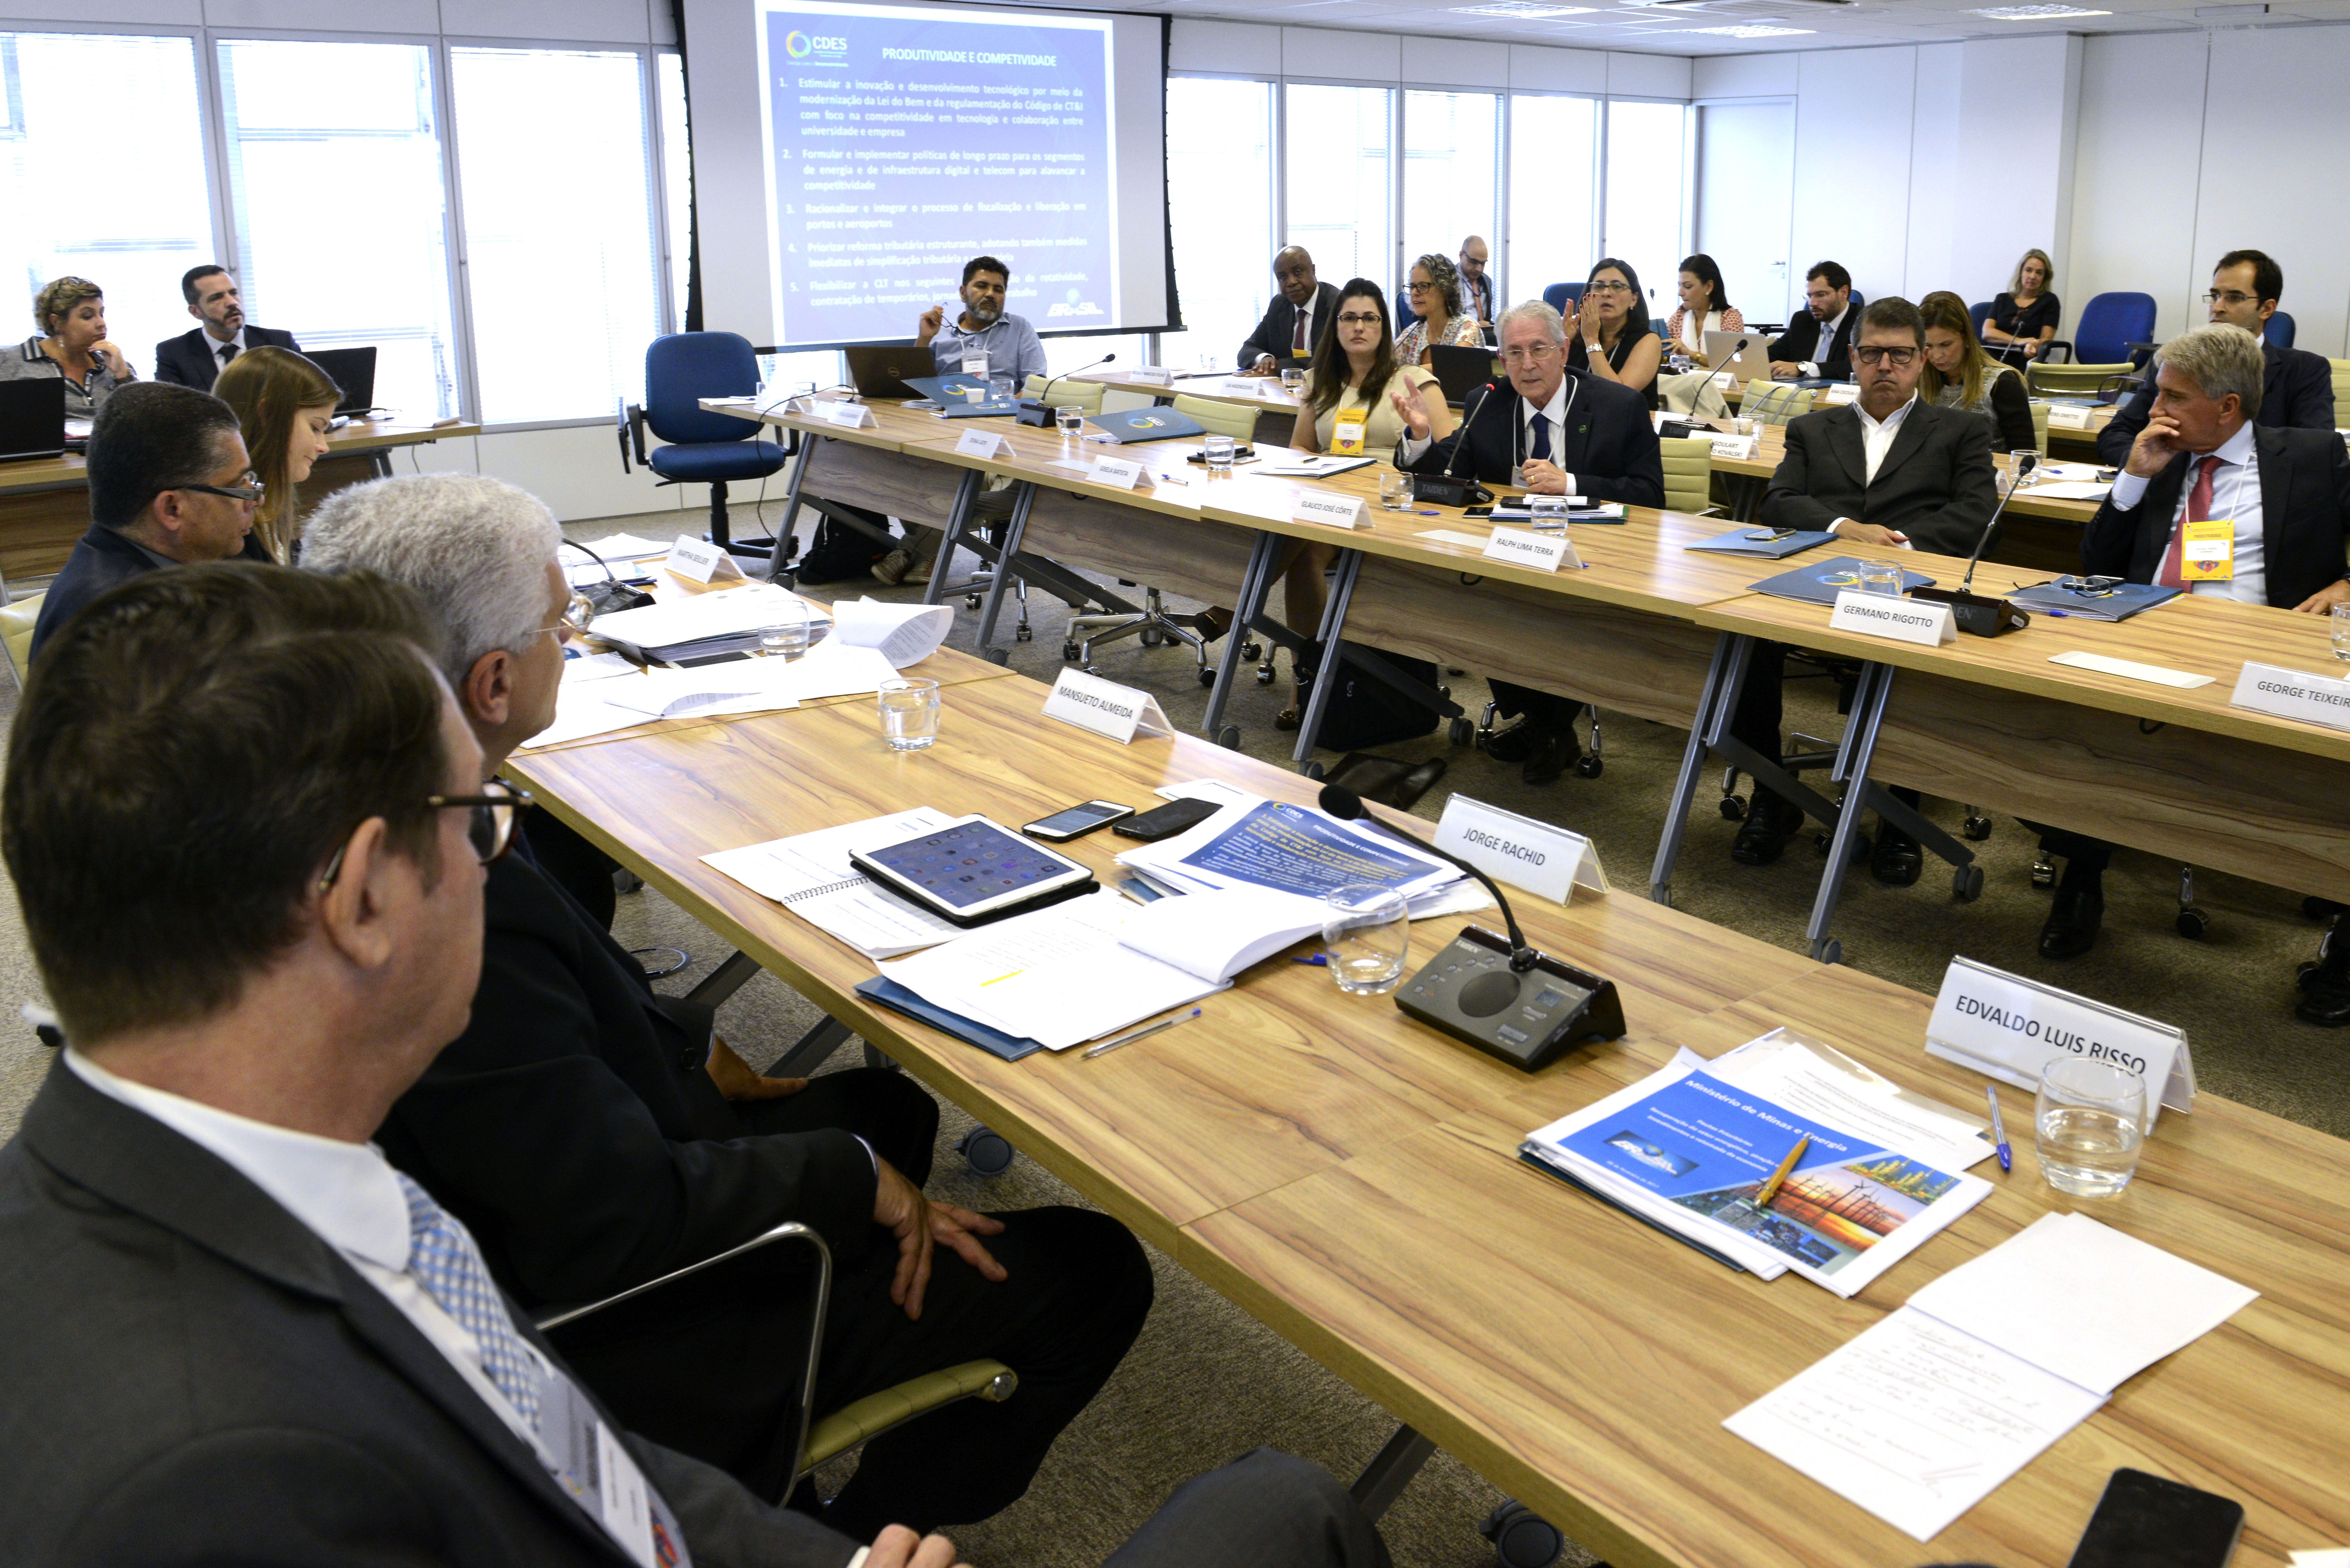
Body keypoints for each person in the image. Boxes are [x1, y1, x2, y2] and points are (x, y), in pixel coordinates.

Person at [0, 561, 1395, 1568]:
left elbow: (562, 1448)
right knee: (1284, 1510)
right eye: (479, 819)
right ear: (365, 896)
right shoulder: (213, 1481)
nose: (496, 861)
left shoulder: (226, 1180)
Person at [302, 474, 1156, 1540]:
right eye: (563, 624)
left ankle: (854, 1306)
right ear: (494, 680)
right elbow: (610, 1222)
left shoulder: (342, 802)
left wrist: (687, 1045)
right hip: (624, 1324)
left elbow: (554, 1039)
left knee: (889, 1110)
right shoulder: (441, 890)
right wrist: (852, 1180)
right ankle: (843, 1539)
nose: (575, 639)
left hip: (558, 1182)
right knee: (1095, 1268)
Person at [2036, 325, 2350, 976]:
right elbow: (2096, 563)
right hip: (2150, 637)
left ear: (2228, 406)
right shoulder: (2160, 455)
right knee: (2070, 730)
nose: (2155, 410)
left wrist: (2346, 583)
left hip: (2264, 649)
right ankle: (2081, 877)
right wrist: (2132, 479)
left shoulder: (2313, 456)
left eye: (2173, 397)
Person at [1728, 297, 1998, 875]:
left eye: (1900, 355)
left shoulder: (1962, 432)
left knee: (1916, 657)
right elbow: (1779, 501)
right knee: (1743, 641)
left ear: (1922, 360)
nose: (1885, 367)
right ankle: (1772, 795)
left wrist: (1897, 546)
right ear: (1852, 357)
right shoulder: (1811, 428)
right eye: (1872, 354)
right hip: (1817, 584)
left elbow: (1977, 515)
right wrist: (1844, 527)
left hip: (1909, 589)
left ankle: (1901, 815)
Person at [1393, 299, 1665, 785]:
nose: (1527, 364)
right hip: (1512, 553)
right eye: (1514, 354)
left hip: (1597, 554)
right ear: (1501, 359)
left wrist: (1571, 484)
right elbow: (1449, 472)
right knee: (1474, 598)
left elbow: (1650, 495)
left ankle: (1547, 727)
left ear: (1563, 351)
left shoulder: (1618, 405)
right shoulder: (1487, 401)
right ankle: (1547, 725)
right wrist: (1419, 436)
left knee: (1550, 612)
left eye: (1539, 350)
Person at [1274, 281, 1455, 730]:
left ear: (1383, 326)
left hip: (1391, 505)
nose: (1359, 327)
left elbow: (1452, 460)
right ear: (1335, 327)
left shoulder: (1413, 381)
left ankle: (1233, 604)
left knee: (1287, 545)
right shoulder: (1320, 382)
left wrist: (1419, 434)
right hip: (1331, 502)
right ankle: (1306, 673)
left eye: (1369, 318)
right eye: (1349, 318)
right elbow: (1300, 447)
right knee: (1300, 555)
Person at [28, 381, 268, 659]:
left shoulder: (158, 570)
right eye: (238, 486)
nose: (257, 500)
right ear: (172, 509)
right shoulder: (126, 624)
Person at [2096, 249, 2335, 466]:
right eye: (2215, 296)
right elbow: (2116, 434)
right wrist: (2157, 468)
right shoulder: (2174, 364)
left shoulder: (2304, 370)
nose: (2218, 307)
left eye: (2234, 297)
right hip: (2178, 488)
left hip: (2256, 490)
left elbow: (2316, 447)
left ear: (2267, 309)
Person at [891, 256, 1048, 586]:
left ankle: (914, 551)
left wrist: (1005, 405)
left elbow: (1036, 385)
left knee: (951, 477)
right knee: (903, 472)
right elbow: (913, 385)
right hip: (942, 428)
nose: (991, 294)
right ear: (963, 292)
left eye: (998, 289)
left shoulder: (1019, 328)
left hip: (998, 430)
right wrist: (924, 339)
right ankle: (925, 553)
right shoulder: (940, 334)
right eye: (982, 286)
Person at [211, 345, 340, 562]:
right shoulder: (231, 530)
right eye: (315, 428)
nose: (323, 447)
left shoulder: (264, 509)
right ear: (270, 415)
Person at [0, 275, 134, 419]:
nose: (102, 324)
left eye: (101, 314)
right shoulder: (9, 362)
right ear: (57, 322)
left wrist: (123, 376)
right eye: (88, 316)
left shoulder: (114, 365)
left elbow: (141, 423)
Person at [1919, 290, 2035, 454]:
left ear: (1967, 337)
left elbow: (2025, 456)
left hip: (1990, 468)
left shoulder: (2003, 383)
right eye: (1929, 346)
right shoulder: (1919, 380)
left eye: (1946, 345)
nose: (1937, 356)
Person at [152, 264, 303, 390]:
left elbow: (307, 394)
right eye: (216, 298)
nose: (232, 302)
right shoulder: (174, 353)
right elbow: (172, 410)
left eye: (233, 293)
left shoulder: (280, 343)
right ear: (196, 312)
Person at [1564, 257, 1662, 409]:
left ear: (1634, 299)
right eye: (1599, 286)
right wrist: (1562, 345)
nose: (1606, 293)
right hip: (1576, 420)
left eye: (1617, 287)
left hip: (1627, 423)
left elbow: (1618, 397)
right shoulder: (1577, 336)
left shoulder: (1649, 341)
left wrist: (1592, 340)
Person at [1239, 247, 1339, 376]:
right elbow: (1247, 350)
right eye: (1283, 277)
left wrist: (1277, 368)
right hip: (1283, 387)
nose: (1291, 282)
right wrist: (1266, 360)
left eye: (1298, 272)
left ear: (1313, 270)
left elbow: (1332, 360)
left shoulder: (1337, 304)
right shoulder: (1279, 305)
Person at [1768, 261, 1858, 382]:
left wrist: (1802, 368)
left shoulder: (1862, 322)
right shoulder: (1802, 320)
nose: (1812, 303)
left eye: (1821, 295)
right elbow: (1773, 354)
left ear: (1843, 293)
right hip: (1798, 390)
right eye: (1810, 296)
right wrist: (1746, 350)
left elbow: (1853, 366)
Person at [1394, 253, 1483, 366]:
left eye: (1423, 286)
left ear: (1445, 289)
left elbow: (1454, 366)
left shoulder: (1467, 327)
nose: (1415, 293)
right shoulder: (1412, 333)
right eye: (1412, 287)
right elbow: (1385, 366)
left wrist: (1409, 372)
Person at [1663, 254, 1743, 368]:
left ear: (1709, 287)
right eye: (1680, 286)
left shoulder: (1730, 318)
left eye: (1688, 287)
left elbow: (1733, 363)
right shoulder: (1678, 317)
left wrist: (1689, 354)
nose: (1680, 293)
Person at [1980, 248, 2058, 366]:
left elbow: (2045, 341)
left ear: (2045, 278)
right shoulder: (2002, 299)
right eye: (2029, 270)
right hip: (1993, 354)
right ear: (2021, 272)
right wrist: (2019, 341)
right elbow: (1987, 333)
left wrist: (2032, 345)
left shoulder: (2050, 301)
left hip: (2024, 357)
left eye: (2039, 273)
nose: (2033, 276)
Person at [1458, 235, 1495, 334]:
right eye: (1474, 262)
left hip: (1484, 335)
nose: (1479, 269)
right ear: (1461, 255)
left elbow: (1487, 319)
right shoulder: (1448, 280)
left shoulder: (1486, 281)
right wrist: (1475, 326)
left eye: (1483, 264)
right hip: (1458, 336)